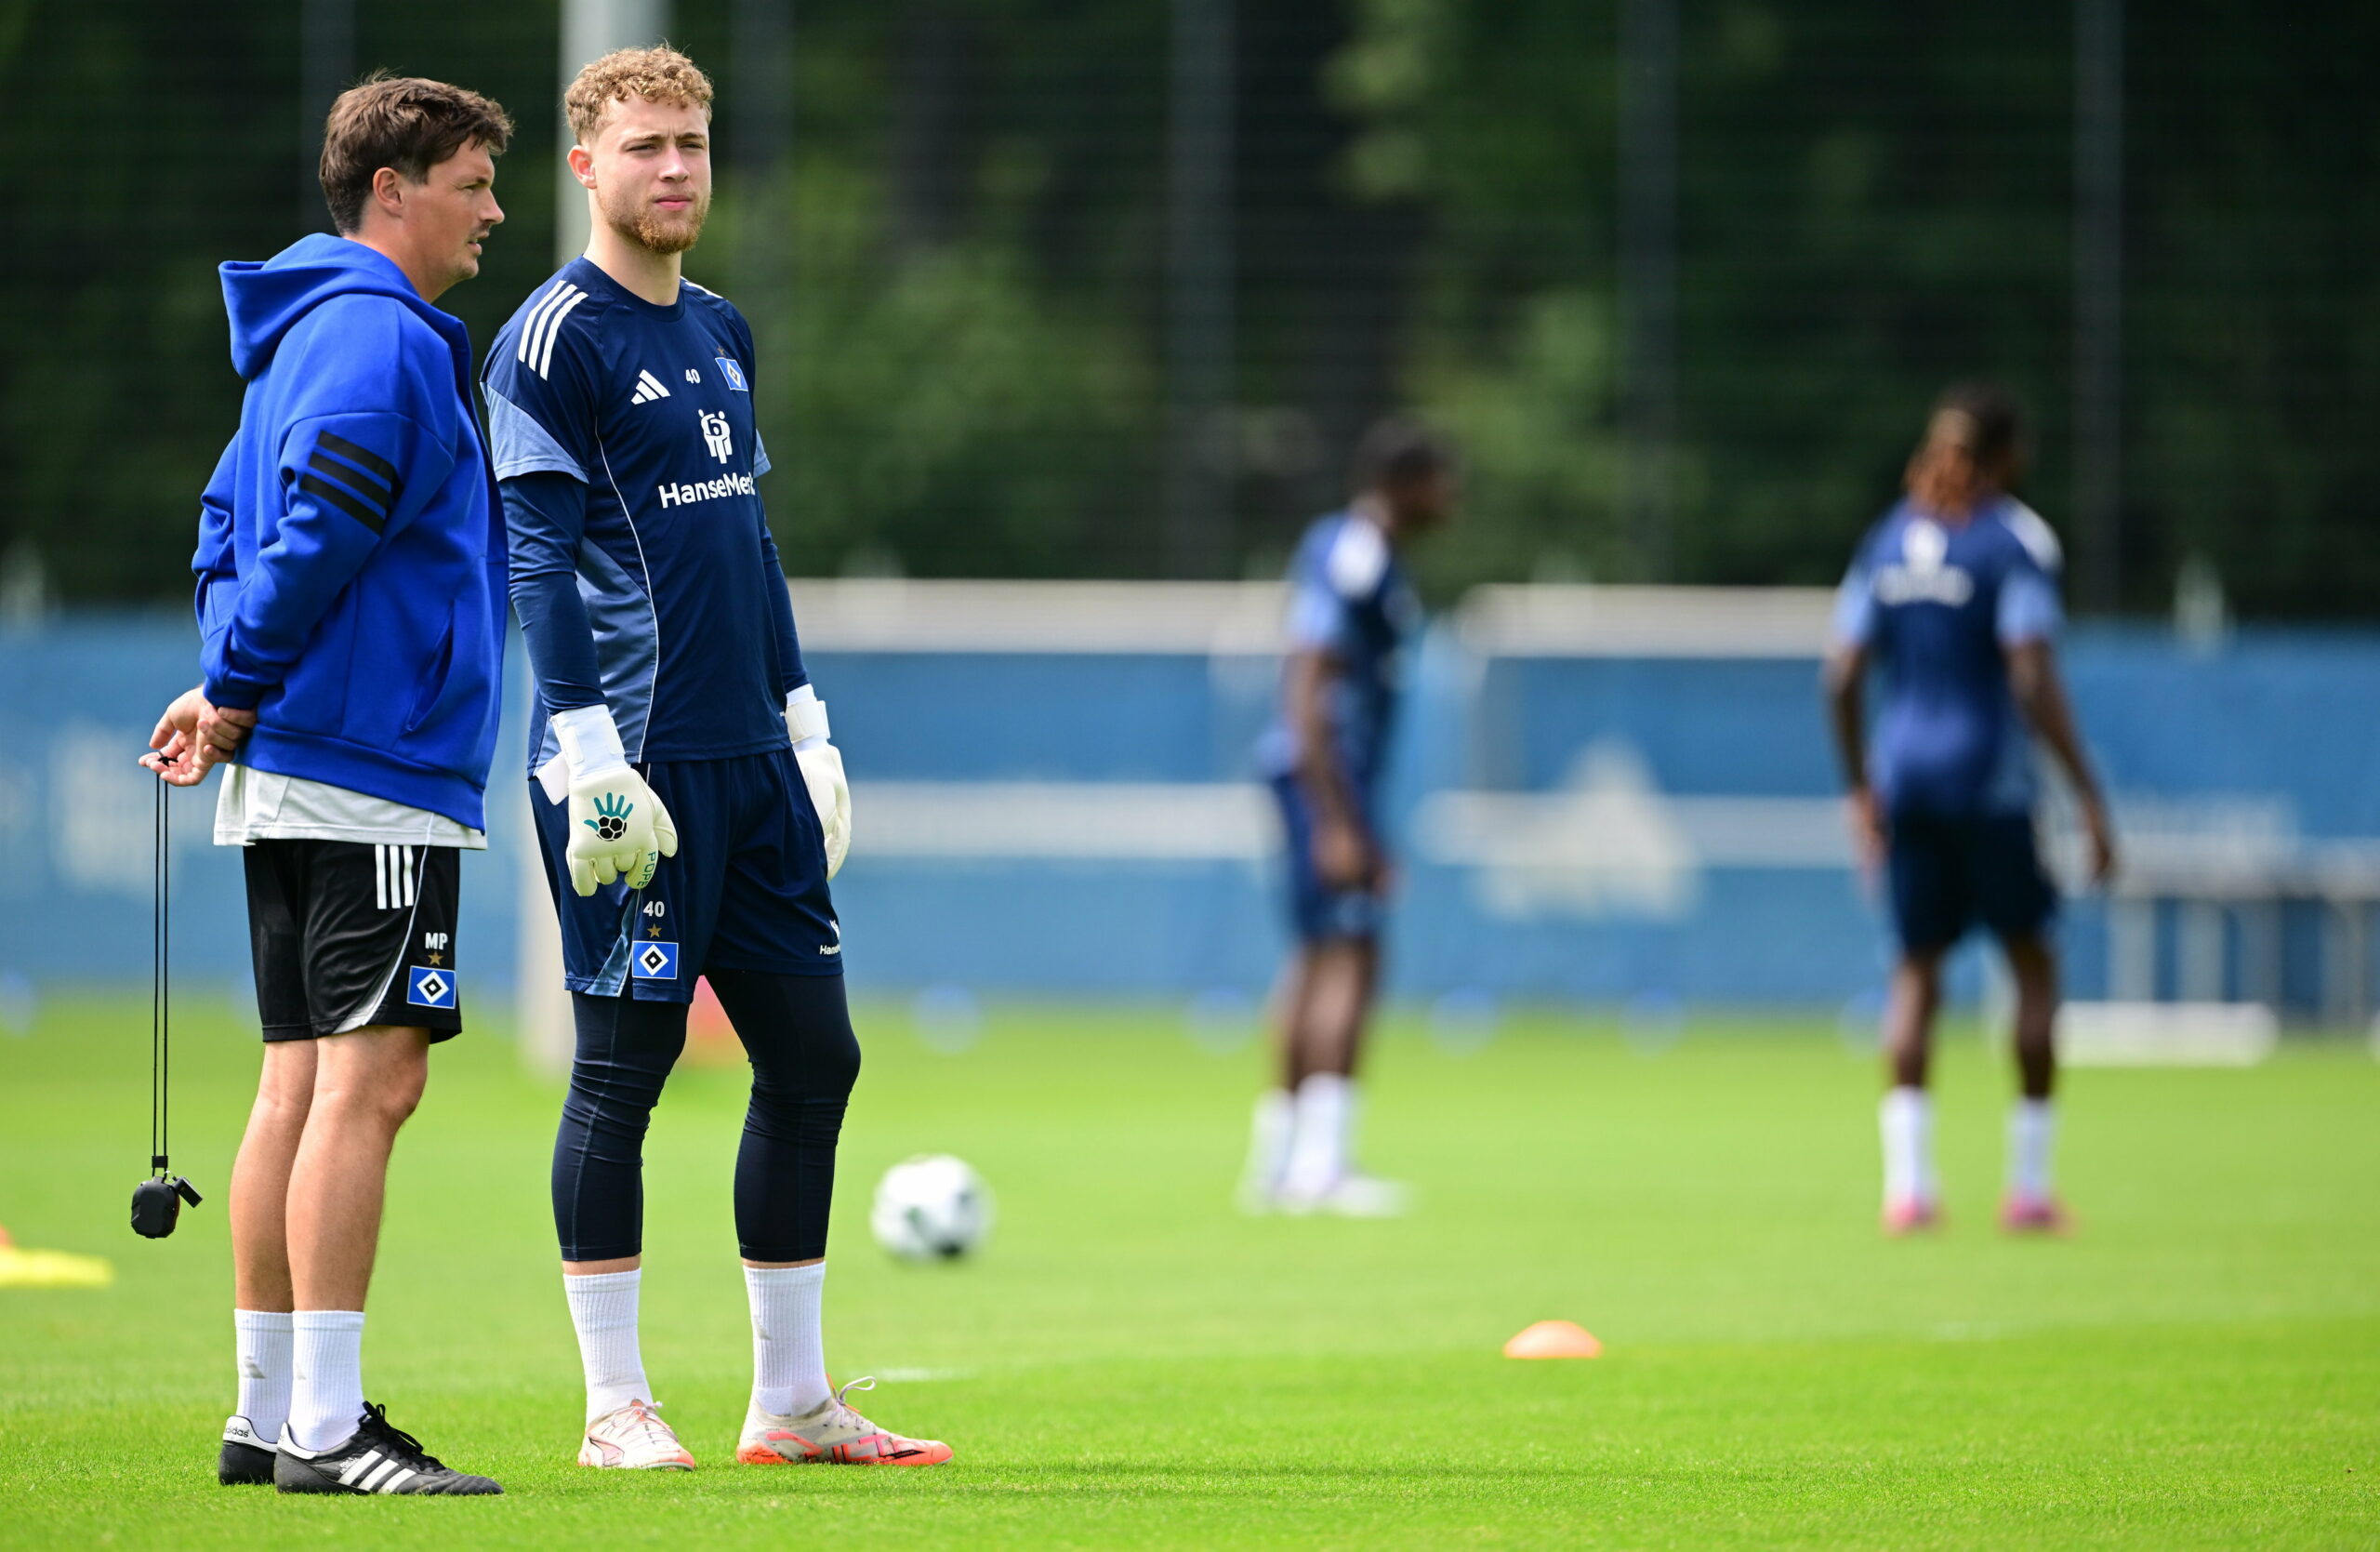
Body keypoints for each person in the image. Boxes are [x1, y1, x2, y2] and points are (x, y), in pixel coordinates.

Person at [483, 46, 949, 1472]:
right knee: (621, 1068)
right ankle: (613, 1405)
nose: (674, 168)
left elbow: (747, 540)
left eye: (691, 142)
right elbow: (539, 561)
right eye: (644, 149)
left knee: (814, 1055)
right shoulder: (552, 339)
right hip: (632, 771)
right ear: (587, 169)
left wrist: (803, 719)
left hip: (751, 759)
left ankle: (792, 1401)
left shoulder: (724, 332)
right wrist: (583, 752)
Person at [142, 76, 513, 1494]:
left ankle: (265, 1411)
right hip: (371, 769)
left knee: (295, 1084)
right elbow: (324, 515)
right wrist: (239, 685)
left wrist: (230, 674)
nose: (491, 210)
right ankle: (328, 1426)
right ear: (391, 191)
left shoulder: (302, 333)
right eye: (473, 182)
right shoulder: (378, 336)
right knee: (373, 1084)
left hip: (307, 756)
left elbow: (226, 519)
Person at [1822, 383, 2116, 1236]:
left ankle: (1909, 1190)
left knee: (1915, 972)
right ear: (2011, 453)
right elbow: (2028, 667)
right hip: (1989, 782)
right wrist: (2087, 792)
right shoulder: (2015, 541)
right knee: (2031, 965)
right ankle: (2027, 1188)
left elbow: (1840, 672)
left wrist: (1859, 785)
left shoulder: (1885, 538)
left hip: (1905, 777)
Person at [1237, 419, 1458, 1216]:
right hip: (1325, 779)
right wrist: (1338, 818)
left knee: (1314, 955)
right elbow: (1310, 672)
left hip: (1317, 778)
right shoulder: (1358, 553)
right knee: (1350, 955)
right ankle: (1320, 1166)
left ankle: (1280, 1161)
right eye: (1443, 481)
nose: (1452, 498)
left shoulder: (1353, 549)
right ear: (1405, 482)